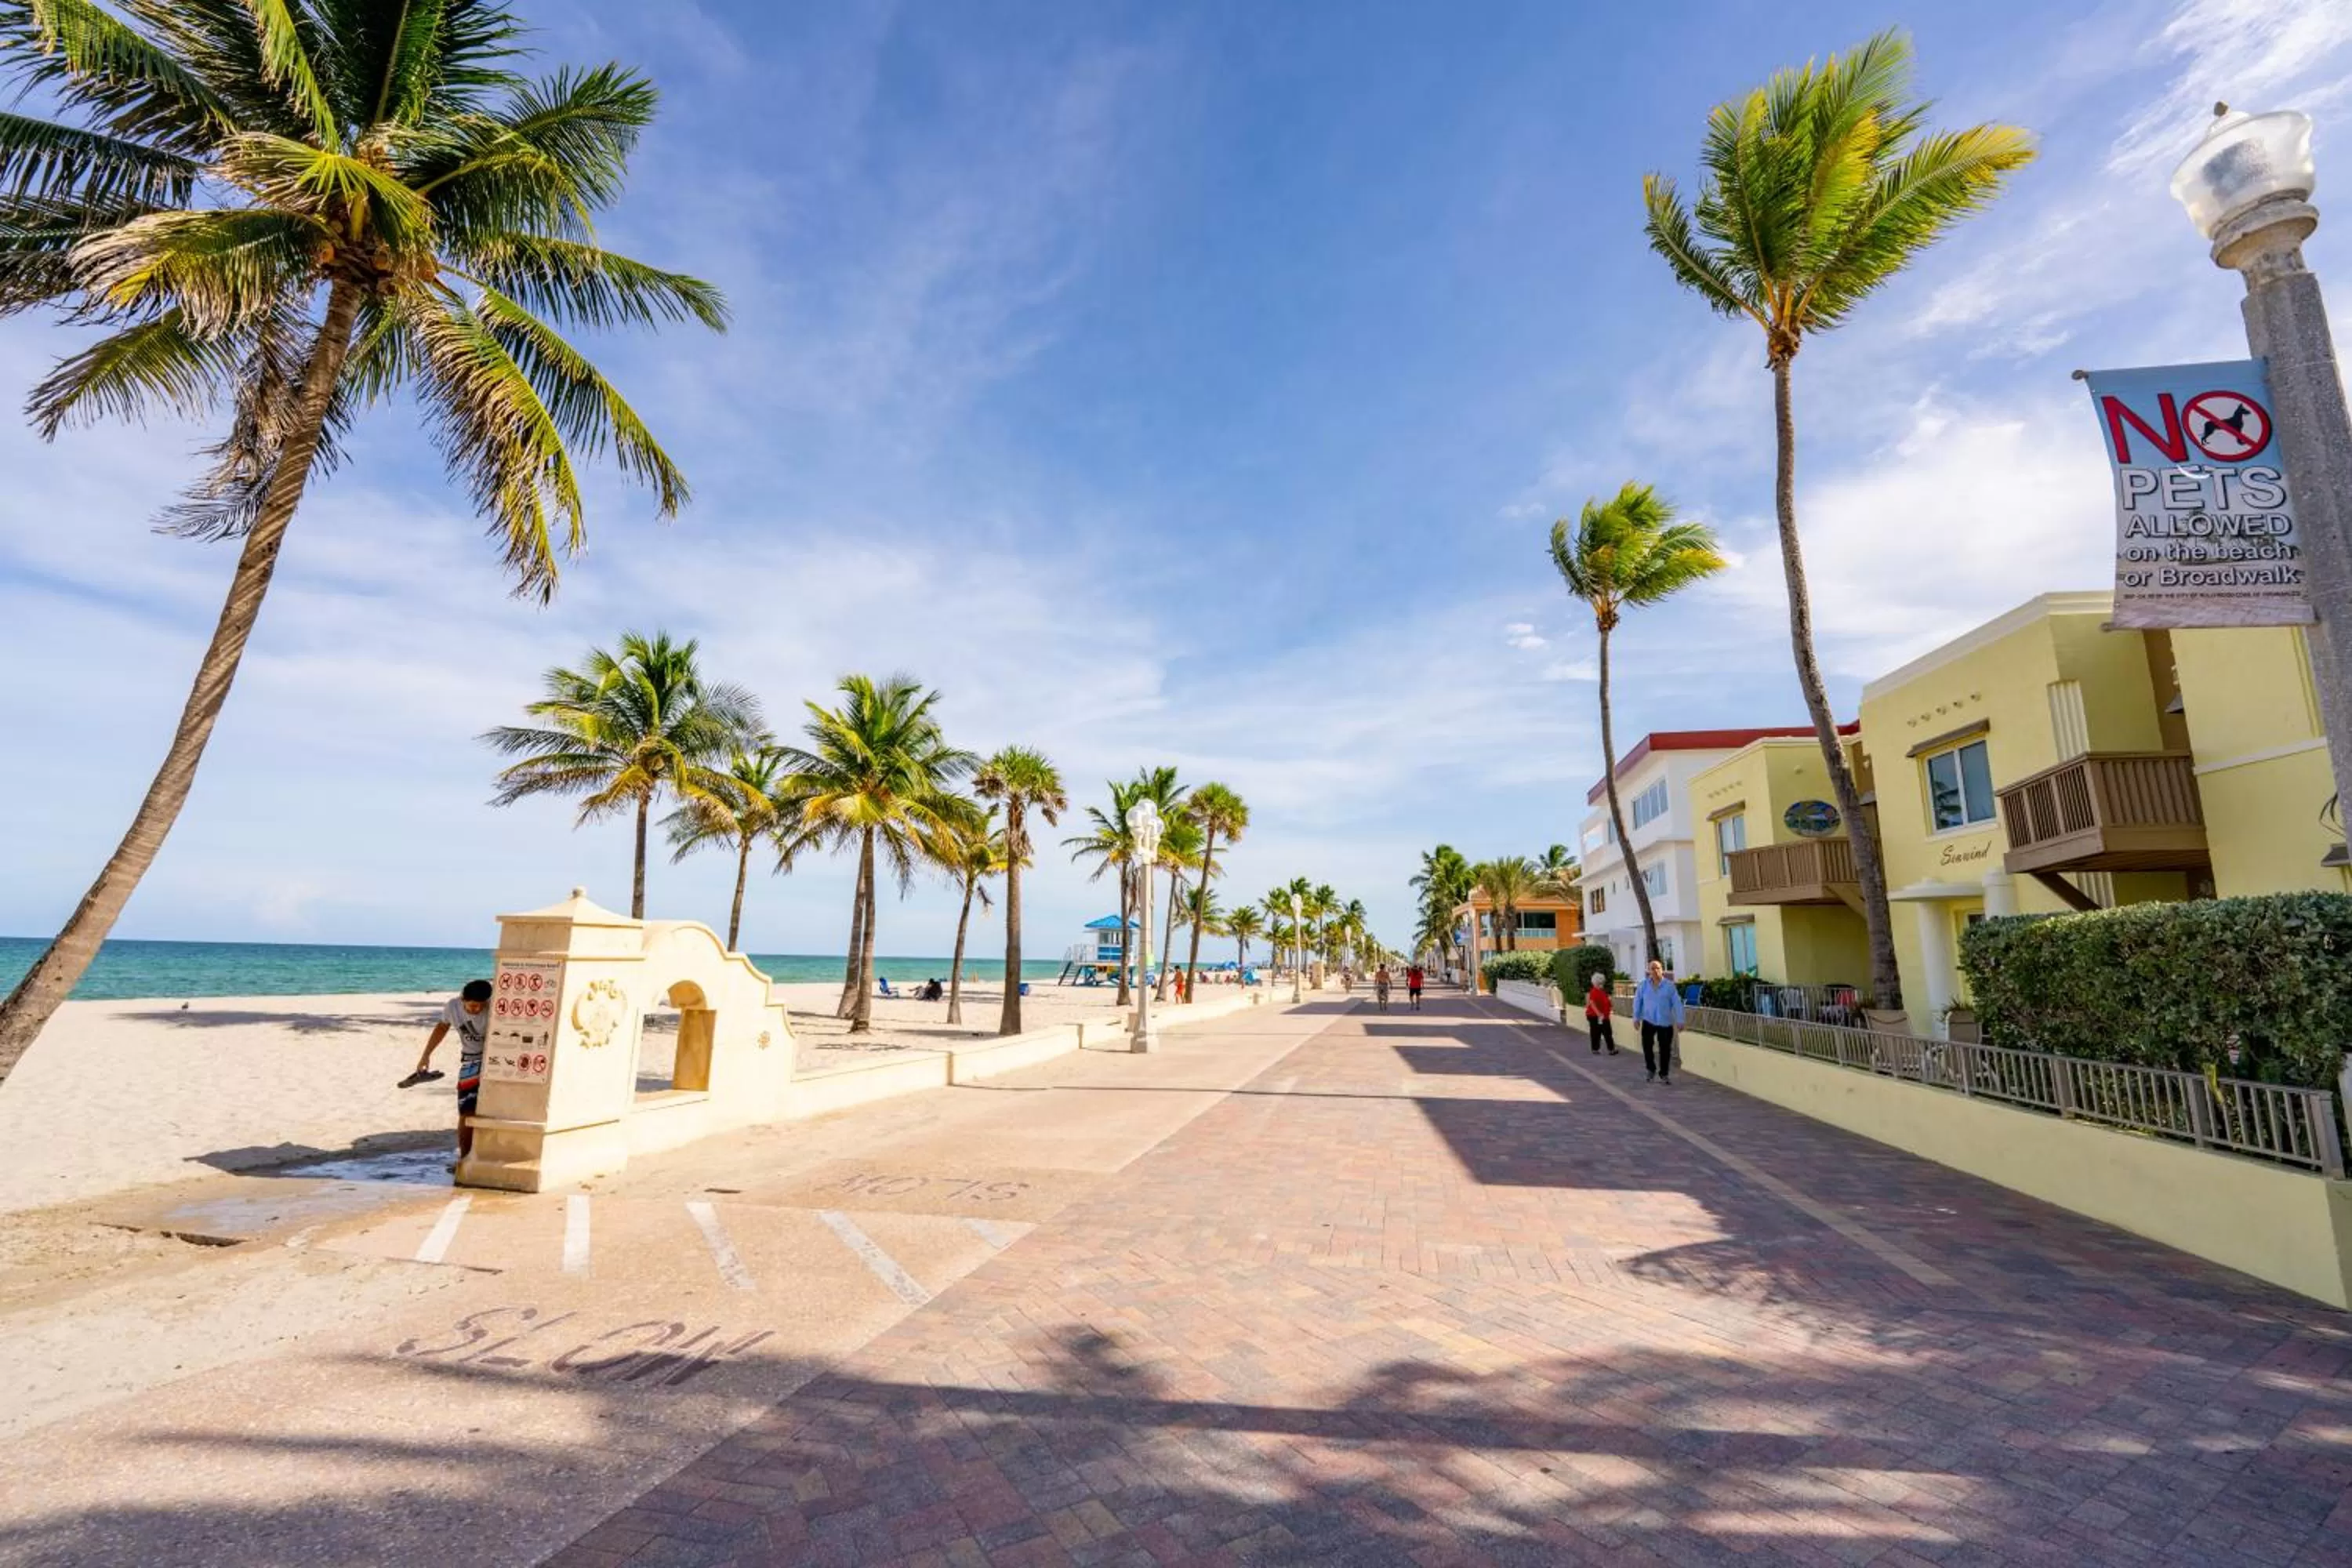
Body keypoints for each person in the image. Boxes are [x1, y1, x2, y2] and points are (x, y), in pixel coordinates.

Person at [410, 978, 492, 1160]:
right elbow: (441, 1028)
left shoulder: (494, 1008)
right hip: (470, 1062)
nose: (475, 1010)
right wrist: (426, 1056)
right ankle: (464, 1158)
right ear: (462, 999)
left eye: (479, 1006)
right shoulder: (452, 1007)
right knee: (466, 1111)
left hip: (494, 1062)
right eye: (471, 1006)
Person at [1631, 958, 1684, 1084]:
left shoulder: (1669, 986)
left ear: (1662, 970)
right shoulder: (1643, 985)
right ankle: (1651, 1069)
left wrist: (1680, 1020)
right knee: (1647, 1047)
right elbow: (1637, 1002)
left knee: (1665, 1049)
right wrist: (1636, 1018)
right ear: (1649, 971)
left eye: (1658, 968)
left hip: (1665, 1022)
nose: (1655, 971)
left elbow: (1677, 1004)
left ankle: (1664, 1073)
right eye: (1652, 968)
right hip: (1649, 1020)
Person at [1584, 971, 1618, 1055]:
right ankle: (1598, 1049)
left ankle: (1610, 1049)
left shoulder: (1602, 991)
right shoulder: (1594, 991)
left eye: (1602, 983)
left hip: (1603, 1016)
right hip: (1595, 1016)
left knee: (1607, 1032)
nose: (1601, 985)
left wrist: (1610, 1004)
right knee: (1597, 1032)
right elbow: (1592, 1003)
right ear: (1595, 983)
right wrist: (1599, 1014)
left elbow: (1606, 1001)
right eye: (1599, 983)